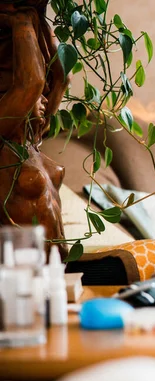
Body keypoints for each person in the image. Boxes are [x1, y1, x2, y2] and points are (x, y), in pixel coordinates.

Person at [0, 1, 68, 252]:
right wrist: (22, 19)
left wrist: (38, 16)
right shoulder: (2, 128)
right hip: (19, 274)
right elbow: (31, 83)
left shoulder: (31, 140)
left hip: (55, 271)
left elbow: (61, 76)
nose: (44, 96)